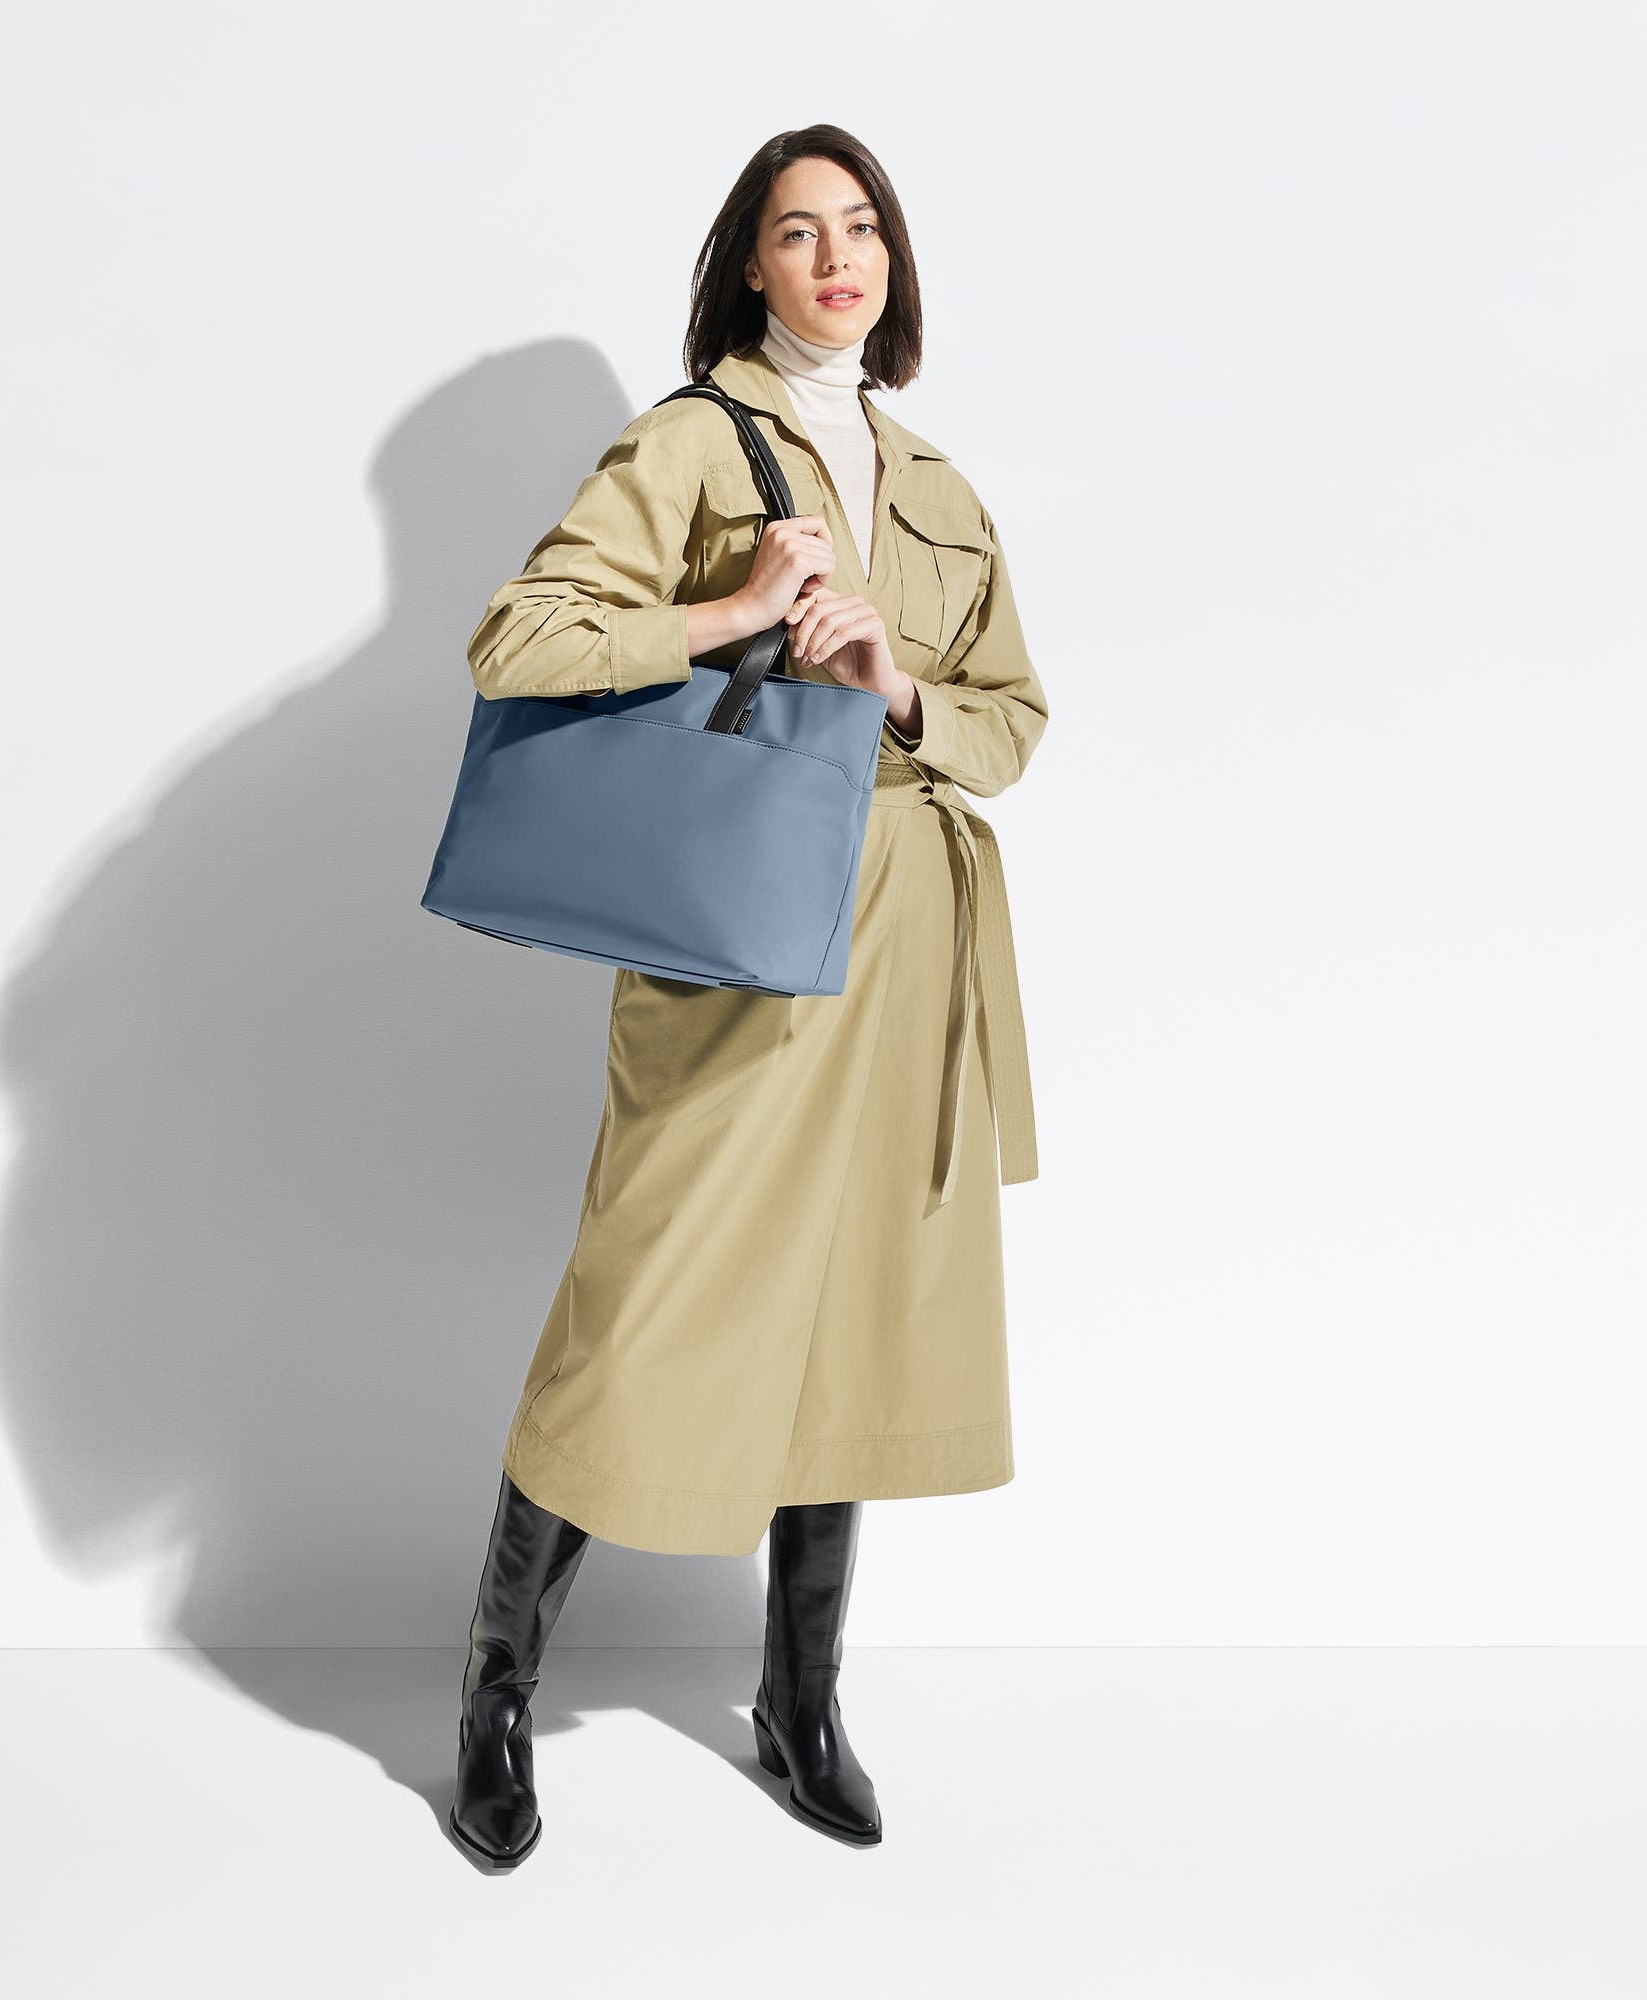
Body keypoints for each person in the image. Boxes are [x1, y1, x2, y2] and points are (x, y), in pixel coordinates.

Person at [447, 124, 1048, 1868]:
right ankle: (494, 1688)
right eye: (798, 233)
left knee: (850, 1315)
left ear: (893, 262)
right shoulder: (691, 440)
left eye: (862, 228)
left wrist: (901, 685)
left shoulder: (939, 484)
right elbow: (515, 639)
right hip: (732, 939)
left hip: (907, 934)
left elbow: (1012, 722)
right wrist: (726, 611)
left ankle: (801, 1701)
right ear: (750, 266)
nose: (836, 259)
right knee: (643, 1303)